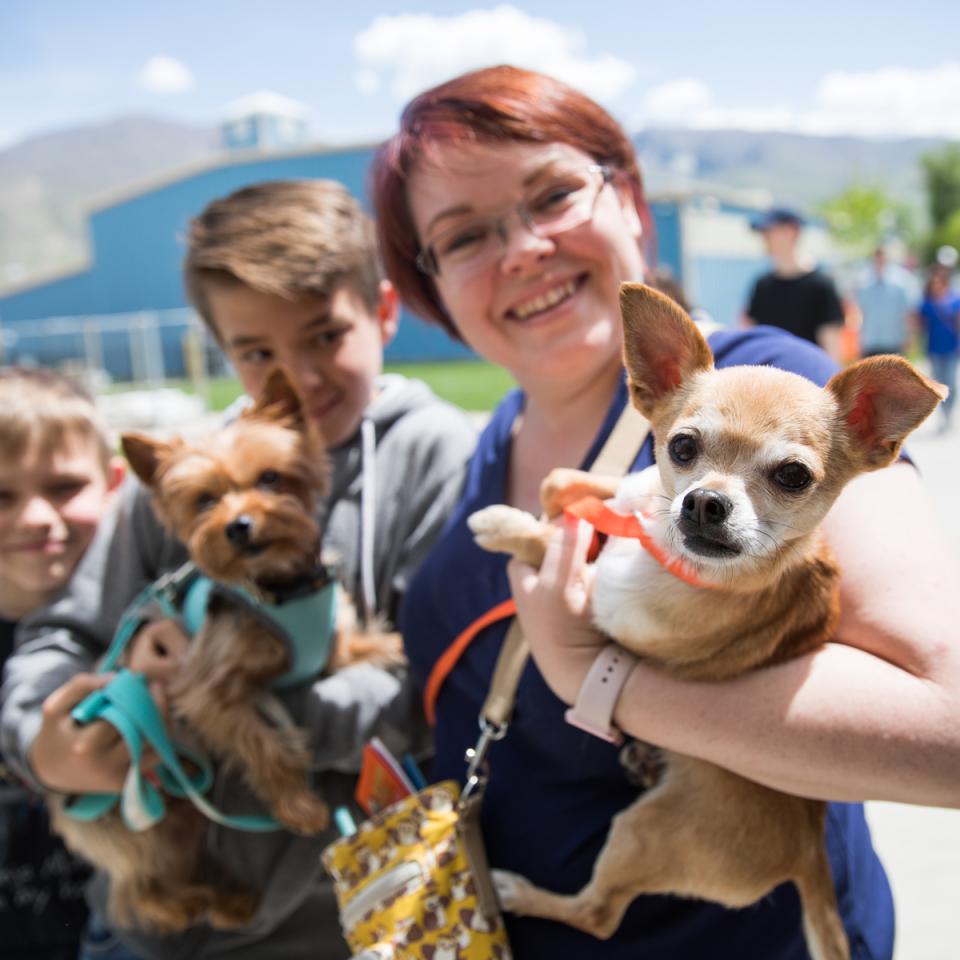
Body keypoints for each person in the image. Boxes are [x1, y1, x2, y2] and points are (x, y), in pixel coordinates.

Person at [371, 65, 960, 959]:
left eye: (554, 194)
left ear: (631, 199)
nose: (523, 247)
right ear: (427, 286)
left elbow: (948, 731)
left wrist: (602, 680)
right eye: (463, 236)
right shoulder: (484, 441)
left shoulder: (774, 384)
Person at [0, 180, 477, 960]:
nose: (300, 375)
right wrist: (42, 738)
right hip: (144, 929)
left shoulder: (431, 455)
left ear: (384, 312)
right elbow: (62, 633)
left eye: (326, 336)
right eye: (257, 351)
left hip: (338, 921)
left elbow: (431, 686)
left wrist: (225, 711)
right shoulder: (195, 471)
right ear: (221, 350)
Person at [0, 367, 126, 960]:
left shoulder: (152, 631)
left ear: (116, 485)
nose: (35, 519)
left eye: (64, 487)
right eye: (2, 495)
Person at [744, 206, 846, 361]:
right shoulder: (762, 285)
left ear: (791, 231)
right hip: (767, 378)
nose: (764, 238)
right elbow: (750, 335)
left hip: (808, 379)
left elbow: (831, 347)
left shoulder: (821, 285)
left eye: (769, 232)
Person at [916, 262, 959, 431]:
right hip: (933, 347)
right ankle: (943, 415)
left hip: (952, 347)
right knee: (939, 383)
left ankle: (949, 413)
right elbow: (921, 324)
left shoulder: (955, 300)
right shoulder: (926, 303)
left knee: (952, 382)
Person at [854, 245, 914, 357]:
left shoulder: (900, 282)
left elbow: (906, 312)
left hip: (893, 339)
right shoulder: (863, 282)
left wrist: (908, 335)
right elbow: (858, 310)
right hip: (870, 340)